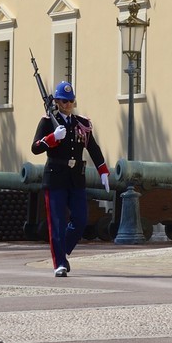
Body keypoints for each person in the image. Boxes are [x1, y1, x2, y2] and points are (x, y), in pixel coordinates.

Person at [30, 81, 110, 277]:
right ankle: (60, 263)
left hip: (76, 178)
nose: (67, 105)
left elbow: (93, 148)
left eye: (70, 101)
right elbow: (35, 148)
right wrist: (52, 138)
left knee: (81, 220)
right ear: (57, 101)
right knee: (56, 222)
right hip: (56, 177)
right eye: (63, 101)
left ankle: (61, 251)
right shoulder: (48, 121)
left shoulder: (81, 123)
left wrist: (103, 171)